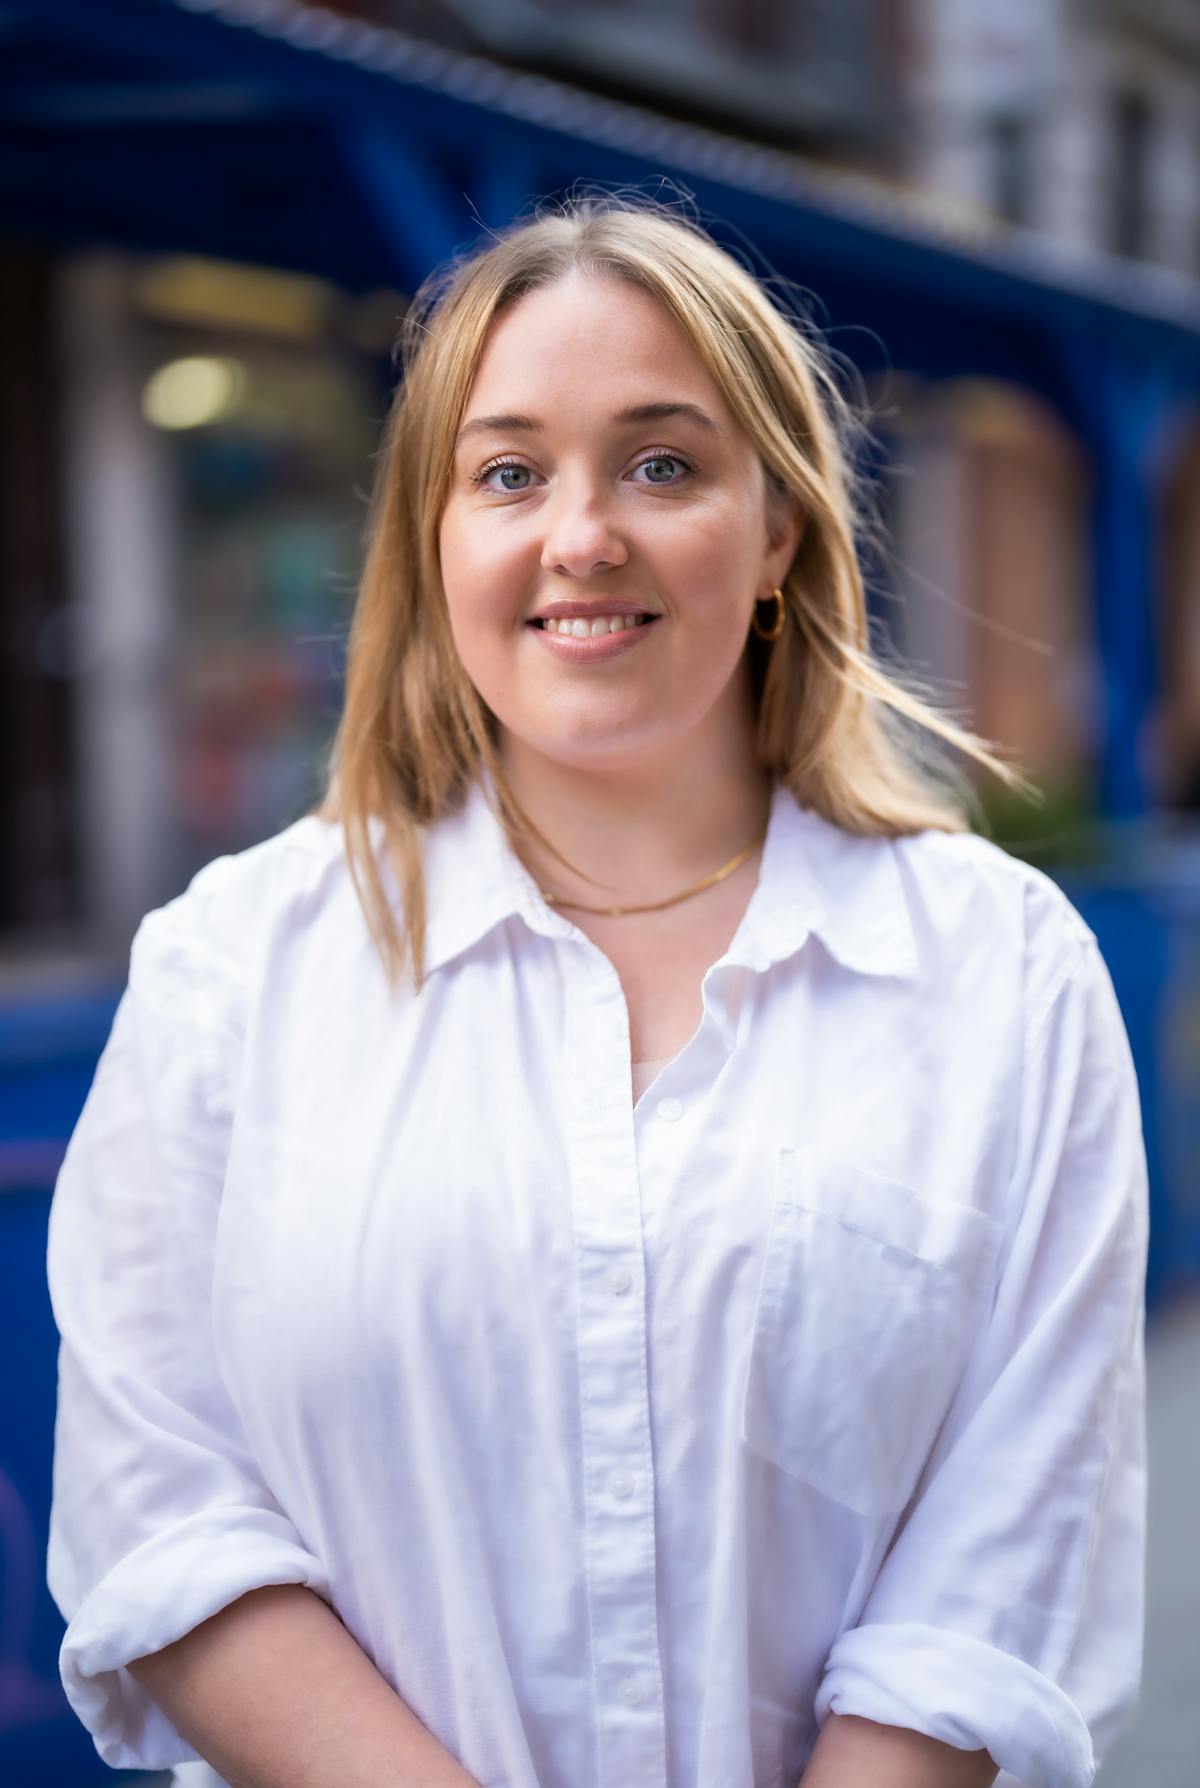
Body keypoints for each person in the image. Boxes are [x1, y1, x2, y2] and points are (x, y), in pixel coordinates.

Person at [45, 191, 1148, 1788]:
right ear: (434, 544)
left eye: (663, 463)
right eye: (506, 473)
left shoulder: (1000, 973)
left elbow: (1006, 1552)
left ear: (778, 531)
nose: (582, 534)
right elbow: (166, 1517)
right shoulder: (233, 970)